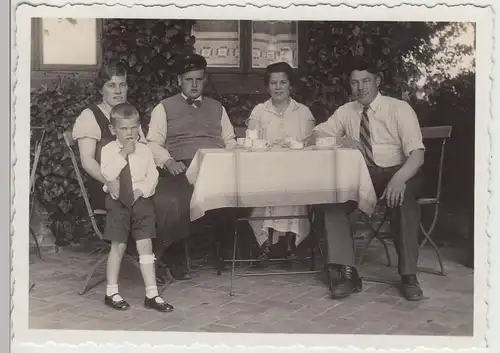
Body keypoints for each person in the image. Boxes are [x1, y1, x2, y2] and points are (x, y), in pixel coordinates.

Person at [313, 57, 426, 301]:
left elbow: (417, 155)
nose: (360, 87)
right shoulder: (346, 111)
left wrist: (398, 180)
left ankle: (409, 276)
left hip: (398, 170)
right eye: (354, 83)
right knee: (333, 202)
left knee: (403, 199)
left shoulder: (399, 109)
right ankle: (348, 273)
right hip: (363, 174)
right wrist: (342, 140)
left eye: (366, 81)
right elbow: (316, 133)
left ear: (377, 81)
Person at [147, 54, 238, 278]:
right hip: (182, 168)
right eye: (189, 80)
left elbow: (231, 140)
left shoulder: (217, 108)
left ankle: (223, 254)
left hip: (215, 167)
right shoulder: (164, 108)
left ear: (205, 80)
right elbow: (153, 142)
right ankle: (173, 257)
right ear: (179, 81)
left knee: (234, 195)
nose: (194, 85)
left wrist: (226, 159)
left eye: (199, 79)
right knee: (175, 201)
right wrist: (168, 162)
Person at [100, 103, 172, 312]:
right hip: (118, 202)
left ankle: (152, 293)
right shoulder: (108, 150)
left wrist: (143, 190)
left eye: (133, 127)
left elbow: (153, 176)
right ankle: (111, 291)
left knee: (145, 245)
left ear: (139, 127)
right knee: (118, 246)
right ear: (113, 130)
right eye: (123, 128)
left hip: (141, 202)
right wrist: (123, 153)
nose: (129, 133)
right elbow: (108, 173)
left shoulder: (145, 150)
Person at [246, 62, 316, 259]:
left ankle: (291, 240)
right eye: (273, 83)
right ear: (267, 86)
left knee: (294, 183)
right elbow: (251, 143)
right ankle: (265, 240)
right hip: (264, 170)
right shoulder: (259, 112)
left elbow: (311, 146)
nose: (278, 87)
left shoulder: (303, 112)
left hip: (296, 170)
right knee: (268, 184)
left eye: (282, 82)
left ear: (290, 85)